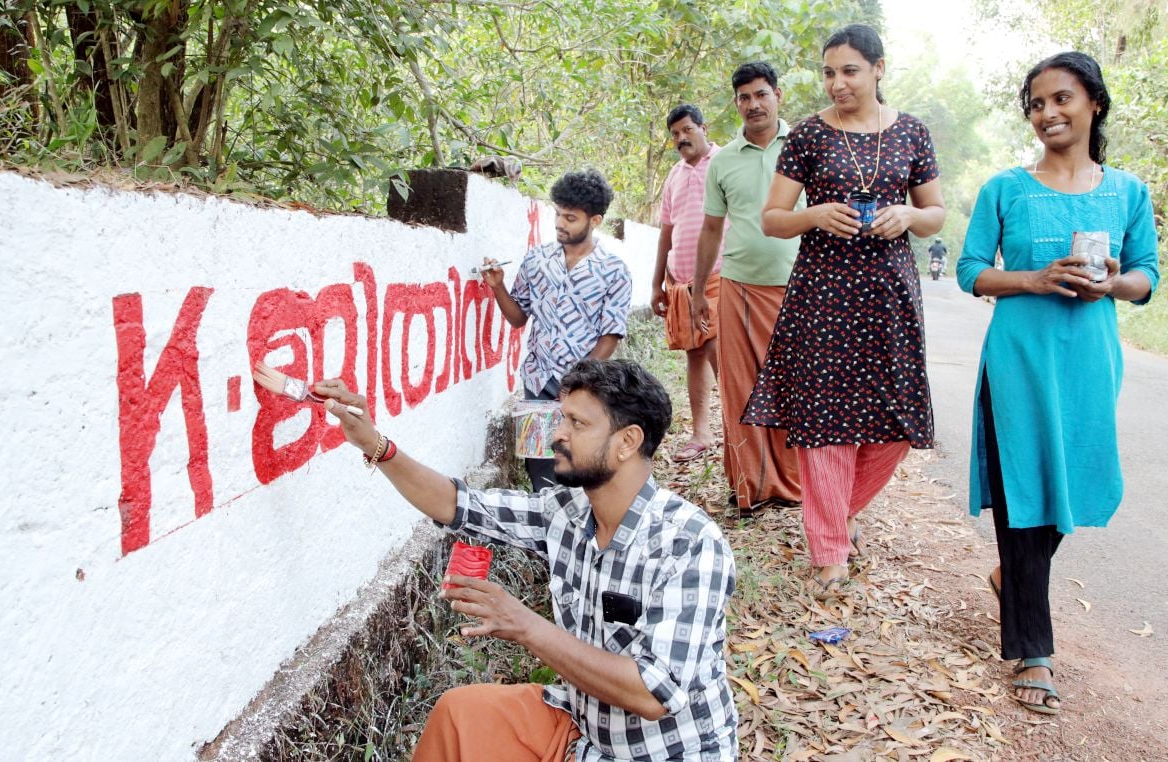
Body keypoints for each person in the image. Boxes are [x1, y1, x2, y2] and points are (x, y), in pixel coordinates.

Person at [312, 360, 738, 760]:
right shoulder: (566, 512)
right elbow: (457, 504)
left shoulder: (689, 544)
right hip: (586, 730)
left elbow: (653, 694)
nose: (557, 435)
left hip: (663, 752)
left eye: (577, 423)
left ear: (627, 442)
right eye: (561, 418)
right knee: (458, 716)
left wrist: (525, 626)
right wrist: (374, 443)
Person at [957, 52, 1159, 715]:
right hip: (1017, 359)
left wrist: (1113, 283)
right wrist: (1034, 279)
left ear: (1093, 103)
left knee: (1078, 478)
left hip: (1090, 362)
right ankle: (1034, 652)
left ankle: (1012, 577)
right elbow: (970, 270)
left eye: (1062, 99)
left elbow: (1146, 276)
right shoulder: (1005, 189)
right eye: (1037, 104)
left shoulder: (1126, 192)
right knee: (1023, 489)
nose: (1048, 113)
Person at [741, 23, 946, 597]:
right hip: (823, 296)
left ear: (879, 69)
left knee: (897, 422)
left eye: (850, 71)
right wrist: (814, 214)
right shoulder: (807, 136)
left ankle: (835, 510)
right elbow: (773, 217)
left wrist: (906, 217)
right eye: (829, 72)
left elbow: (936, 213)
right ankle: (829, 546)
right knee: (826, 419)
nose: (837, 83)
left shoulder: (912, 133)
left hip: (888, 296)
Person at [691, 62, 802, 511]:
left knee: (794, 386)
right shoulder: (723, 161)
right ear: (735, 103)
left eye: (761, 94)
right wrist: (699, 290)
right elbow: (711, 230)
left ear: (778, 95)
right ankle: (752, 487)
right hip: (736, 287)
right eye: (744, 98)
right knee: (742, 388)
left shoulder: (805, 146)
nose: (753, 104)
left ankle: (795, 485)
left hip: (798, 288)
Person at [481, 169, 633, 492]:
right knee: (540, 465)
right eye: (558, 214)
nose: (560, 223)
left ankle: (584, 530)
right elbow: (518, 318)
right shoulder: (536, 261)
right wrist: (498, 287)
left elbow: (611, 335)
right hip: (537, 381)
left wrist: (579, 379)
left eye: (571, 218)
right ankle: (546, 531)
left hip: (583, 387)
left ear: (595, 221)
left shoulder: (613, 271)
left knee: (581, 462)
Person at [651, 103, 723, 463]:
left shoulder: (725, 163)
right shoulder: (674, 176)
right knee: (696, 352)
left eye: (687, 130)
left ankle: (741, 431)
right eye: (675, 134)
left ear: (703, 127)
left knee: (720, 350)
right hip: (679, 284)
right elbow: (666, 233)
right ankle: (701, 433)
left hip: (719, 276)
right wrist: (656, 284)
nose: (681, 138)